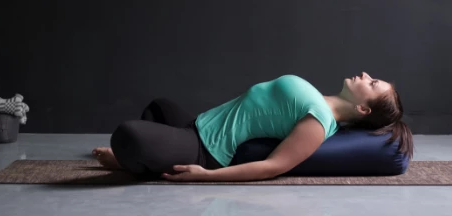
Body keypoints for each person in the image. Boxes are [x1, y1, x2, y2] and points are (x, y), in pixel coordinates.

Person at [92, 72, 414, 182]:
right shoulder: (319, 100)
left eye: (372, 83)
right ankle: (150, 159)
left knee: (129, 135)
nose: (365, 74)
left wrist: (208, 177)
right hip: (198, 126)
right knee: (159, 106)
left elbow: (274, 166)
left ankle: (134, 164)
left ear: (362, 108)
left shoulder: (319, 122)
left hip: (206, 150)